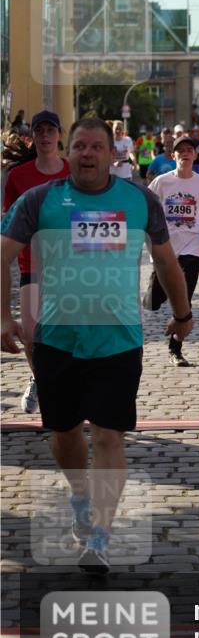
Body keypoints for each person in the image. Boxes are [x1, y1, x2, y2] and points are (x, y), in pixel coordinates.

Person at [1, 117, 192, 573]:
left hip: (118, 340)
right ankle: (80, 494)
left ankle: (101, 536)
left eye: (96, 147)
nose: (87, 154)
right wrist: (2, 317)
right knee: (64, 434)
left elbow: (166, 262)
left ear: (113, 154)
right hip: (56, 338)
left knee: (108, 435)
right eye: (79, 146)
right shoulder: (39, 200)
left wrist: (182, 316)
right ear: (68, 152)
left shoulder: (139, 200)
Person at [2, 110, 70, 413]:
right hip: (32, 261)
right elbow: (9, 220)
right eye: (40, 130)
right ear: (34, 135)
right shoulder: (18, 176)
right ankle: (39, 376)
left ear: (59, 135)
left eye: (50, 130)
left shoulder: (73, 172)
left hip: (70, 265)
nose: (45, 136)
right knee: (31, 332)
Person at [145, 133, 199, 367]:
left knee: (185, 298)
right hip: (165, 245)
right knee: (153, 301)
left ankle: (175, 348)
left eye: (190, 150)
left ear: (195, 155)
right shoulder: (162, 181)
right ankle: (155, 294)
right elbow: (145, 201)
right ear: (174, 155)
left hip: (194, 243)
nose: (186, 154)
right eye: (181, 151)